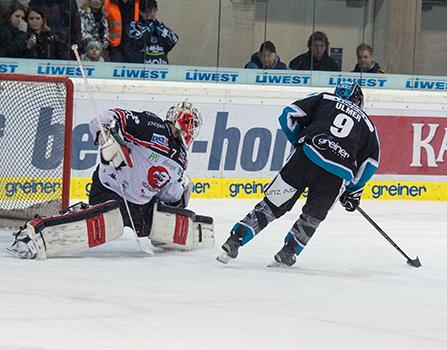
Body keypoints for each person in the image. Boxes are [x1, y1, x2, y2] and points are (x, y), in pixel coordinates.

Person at [6, 102, 211, 259]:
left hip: (140, 206)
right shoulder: (152, 126)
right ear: (179, 118)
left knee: (157, 224)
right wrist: (107, 136)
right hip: (110, 188)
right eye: (190, 122)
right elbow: (107, 117)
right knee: (109, 221)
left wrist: (178, 196)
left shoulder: (181, 158)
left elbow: (166, 192)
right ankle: (33, 233)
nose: (191, 128)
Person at [217, 81, 380, 267]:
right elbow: (370, 164)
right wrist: (352, 191)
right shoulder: (368, 125)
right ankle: (289, 251)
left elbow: (288, 115)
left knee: (272, 204)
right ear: (358, 100)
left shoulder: (324, 98)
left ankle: (235, 239)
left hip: (305, 158)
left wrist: (299, 142)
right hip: (335, 174)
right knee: (313, 215)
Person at [124, 0, 178, 64]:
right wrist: (149, 26)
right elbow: (138, 41)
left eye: (154, 10)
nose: (152, 14)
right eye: (149, 11)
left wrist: (158, 28)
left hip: (161, 69)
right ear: (141, 12)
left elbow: (174, 39)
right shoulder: (134, 26)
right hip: (141, 68)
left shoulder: (160, 27)